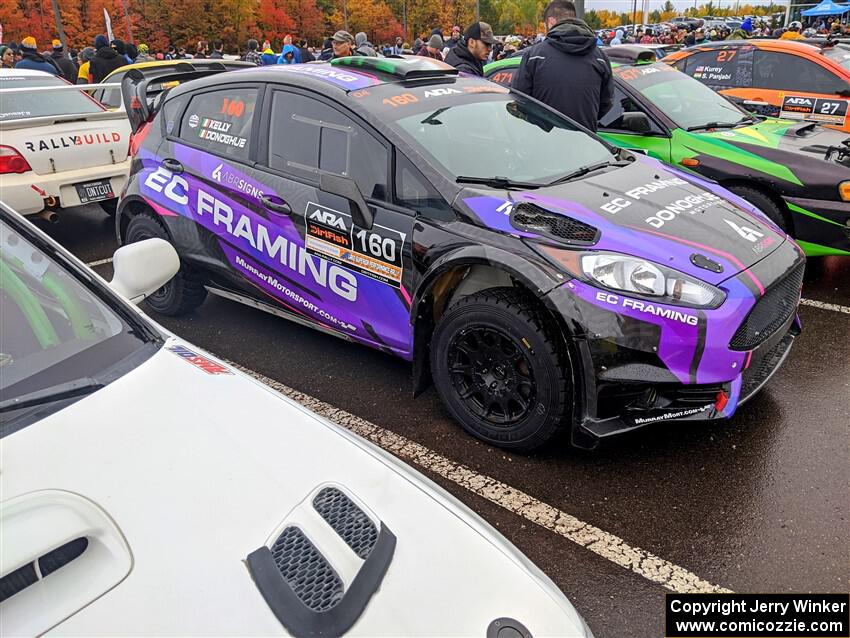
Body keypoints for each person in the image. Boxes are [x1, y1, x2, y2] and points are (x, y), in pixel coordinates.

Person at [511, 0, 612, 131]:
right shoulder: (600, 57)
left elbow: (519, 99)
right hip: (586, 143)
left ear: (550, 21)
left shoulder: (534, 55)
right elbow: (606, 102)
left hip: (544, 143)